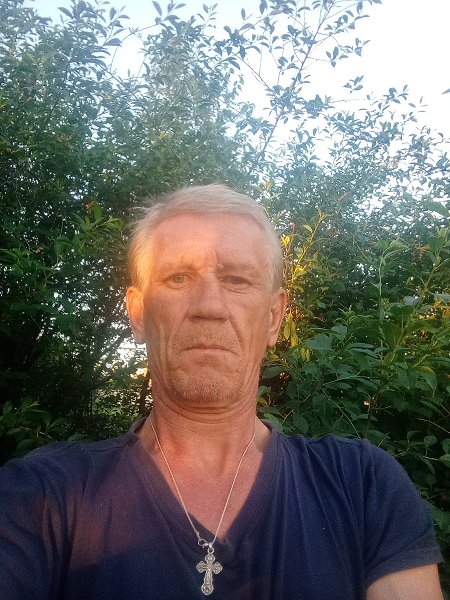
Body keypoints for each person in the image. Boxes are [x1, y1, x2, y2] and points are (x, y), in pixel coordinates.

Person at [0, 184, 443, 600]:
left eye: (237, 280)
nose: (209, 307)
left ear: (274, 318)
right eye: (178, 278)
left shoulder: (363, 486)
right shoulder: (42, 497)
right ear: (137, 313)